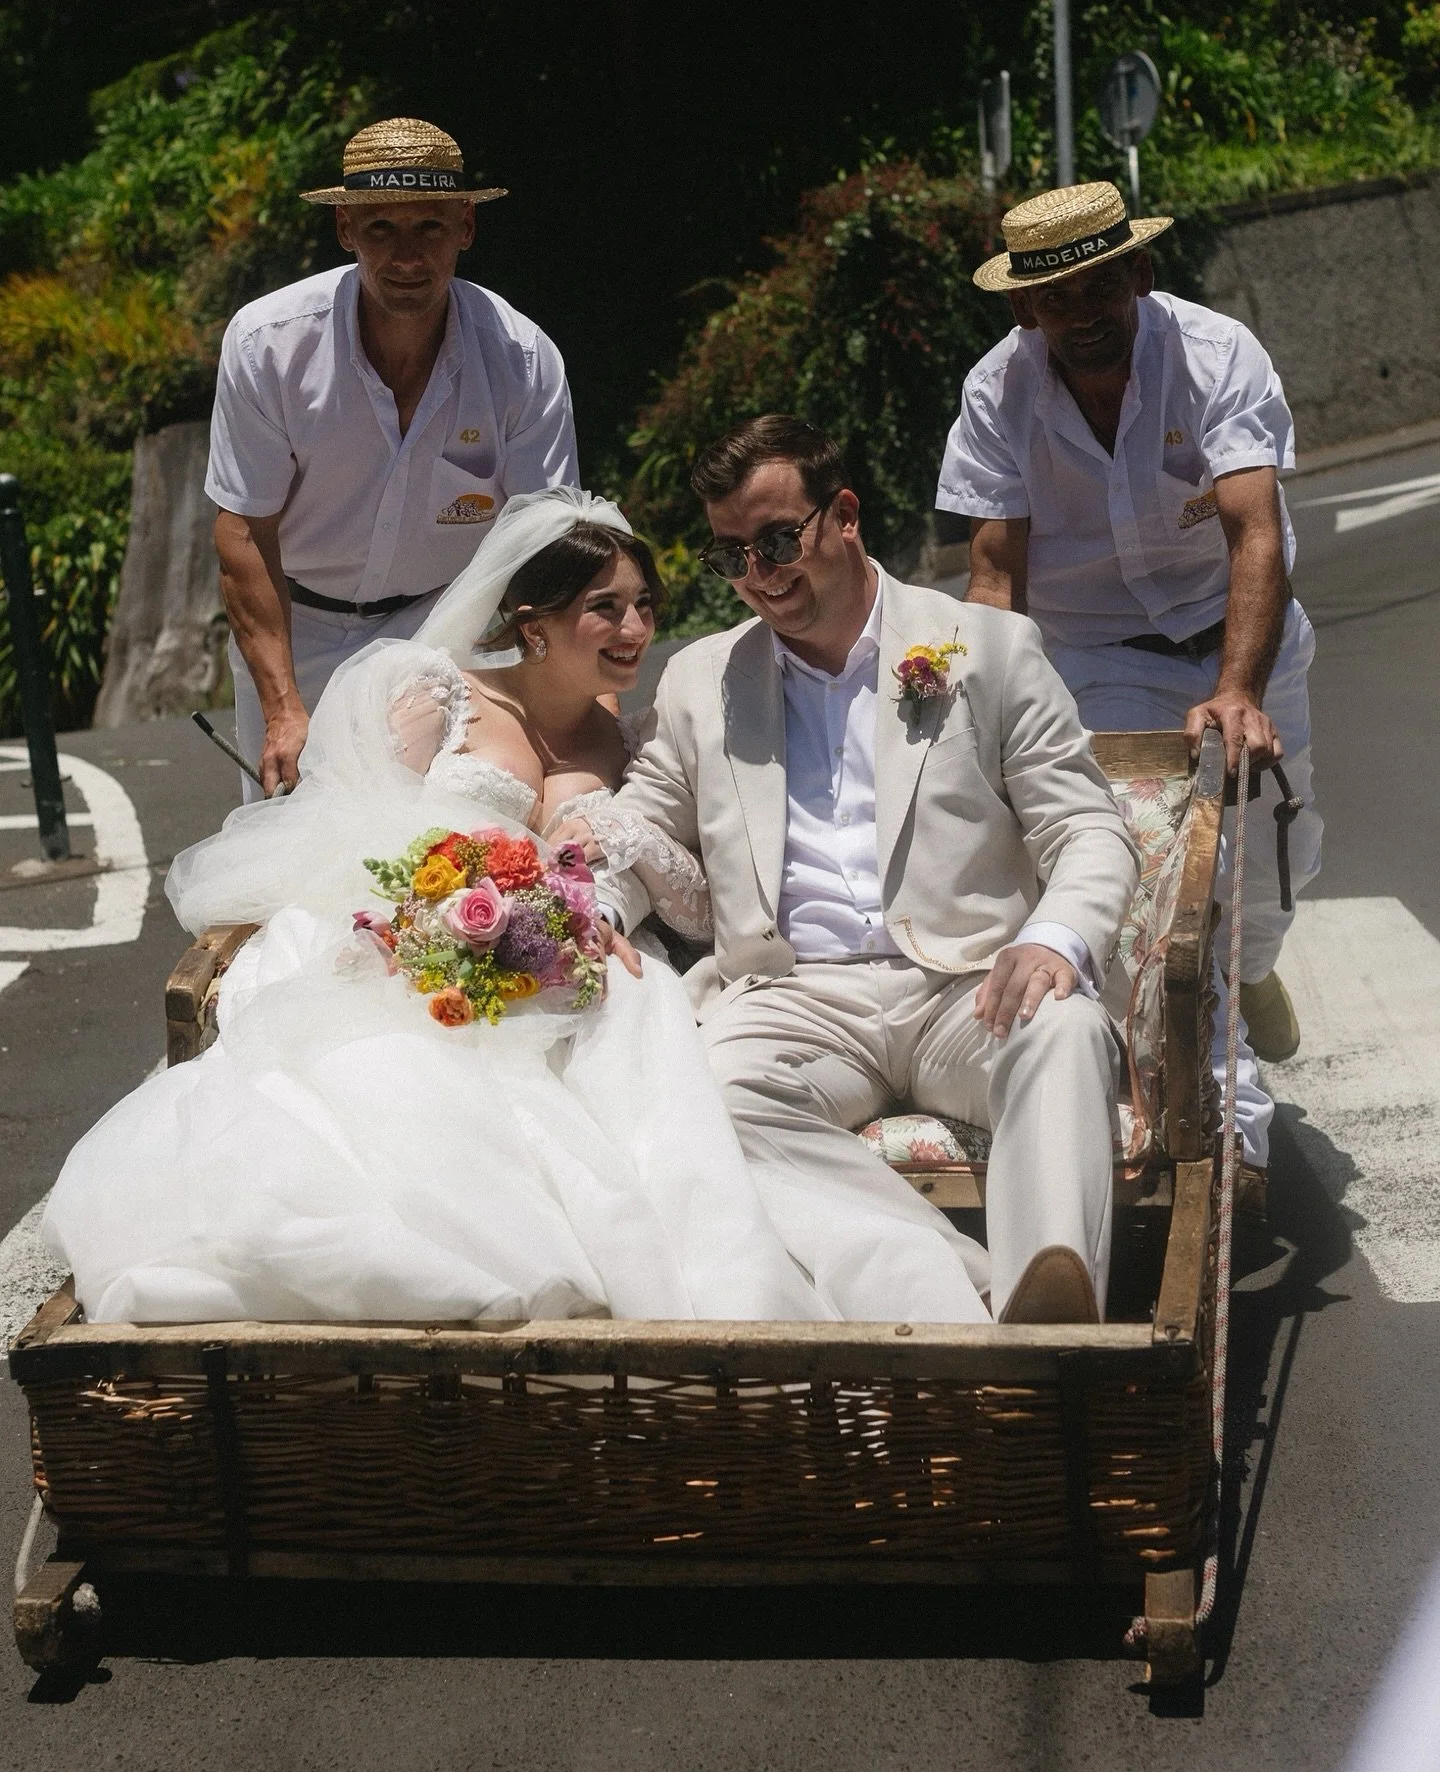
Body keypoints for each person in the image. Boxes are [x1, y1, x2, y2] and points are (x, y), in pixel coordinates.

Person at [43, 489, 991, 1328]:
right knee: (390, 1075)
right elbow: (360, 833)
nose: (633, 628)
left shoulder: (634, 740)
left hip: (569, 957)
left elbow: (697, 903)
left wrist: (614, 863)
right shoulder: (438, 696)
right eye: (604, 608)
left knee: (642, 1029)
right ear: (534, 624)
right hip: (413, 931)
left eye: (644, 606)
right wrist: (450, 911)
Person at [575, 416, 1140, 1324]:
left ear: (843, 515)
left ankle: (1054, 1311)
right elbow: (639, 823)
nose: (760, 576)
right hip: (795, 995)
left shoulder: (984, 648)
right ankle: (967, 1294)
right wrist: (596, 903)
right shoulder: (699, 681)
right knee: (706, 1100)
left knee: (1064, 1027)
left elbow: (1087, 827)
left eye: (776, 540)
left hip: (969, 983)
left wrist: (1054, 937)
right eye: (733, 556)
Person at [936, 179, 1324, 1166]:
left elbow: (1254, 530)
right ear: (1026, 308)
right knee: (1156, 872)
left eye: (1100, 288)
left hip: (1239, 634)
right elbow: (993, 577)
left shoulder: (1217, 353)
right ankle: (1228, 1127)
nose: (1081, 317)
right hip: (1099, 656)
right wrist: (984, 732)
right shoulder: (998, 392)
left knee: (1276, 866)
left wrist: (1237, 691)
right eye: (1055, 300)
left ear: (1139, 277)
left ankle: (1262, 961)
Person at [206, 116, 579, 800]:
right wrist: (284, 706)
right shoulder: (268, 345)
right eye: (381, 229)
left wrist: (568, 699)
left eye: (429, 228)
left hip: (451, 624)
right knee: (290, 854)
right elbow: (242, 532)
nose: (407, 256)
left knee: (443, 849)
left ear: (466, 226)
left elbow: (547, 548)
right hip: (299, 627)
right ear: (345, 229)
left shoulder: (523, 361)